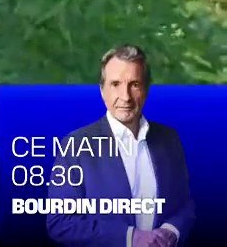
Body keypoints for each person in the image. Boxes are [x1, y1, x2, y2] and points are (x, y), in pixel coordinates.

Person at [46, 44, 195, 247]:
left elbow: (185, 206)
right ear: (102, 91)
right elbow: (60, 222)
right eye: (115, 84)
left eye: (134, 84)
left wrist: (171, 232)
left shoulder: (169, 139)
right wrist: (130, 237)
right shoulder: (76, 145)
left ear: (146, 89)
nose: (125, 96)